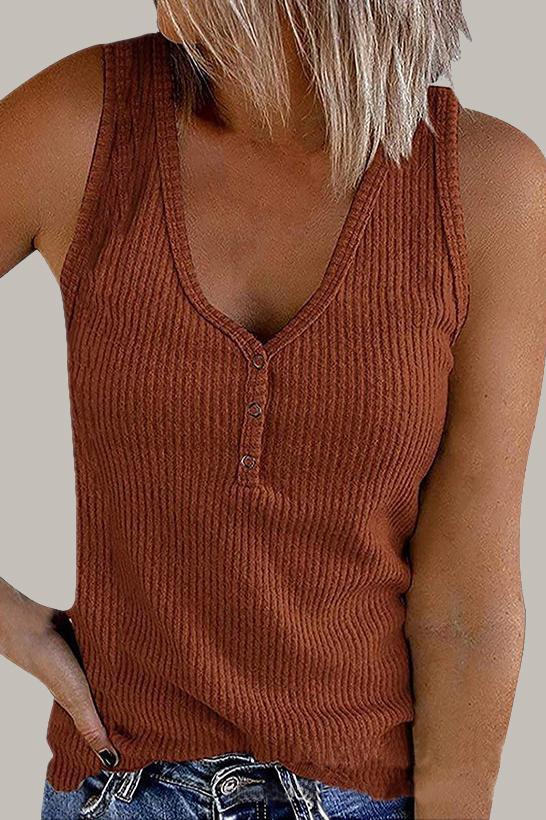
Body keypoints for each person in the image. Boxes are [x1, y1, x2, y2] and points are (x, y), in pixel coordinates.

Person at [0, 2, 544, 818]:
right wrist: (10, 622)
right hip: (123, 791)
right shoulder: (82, 124)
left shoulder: (486, 186)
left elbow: (468, 596)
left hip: (364, 796)